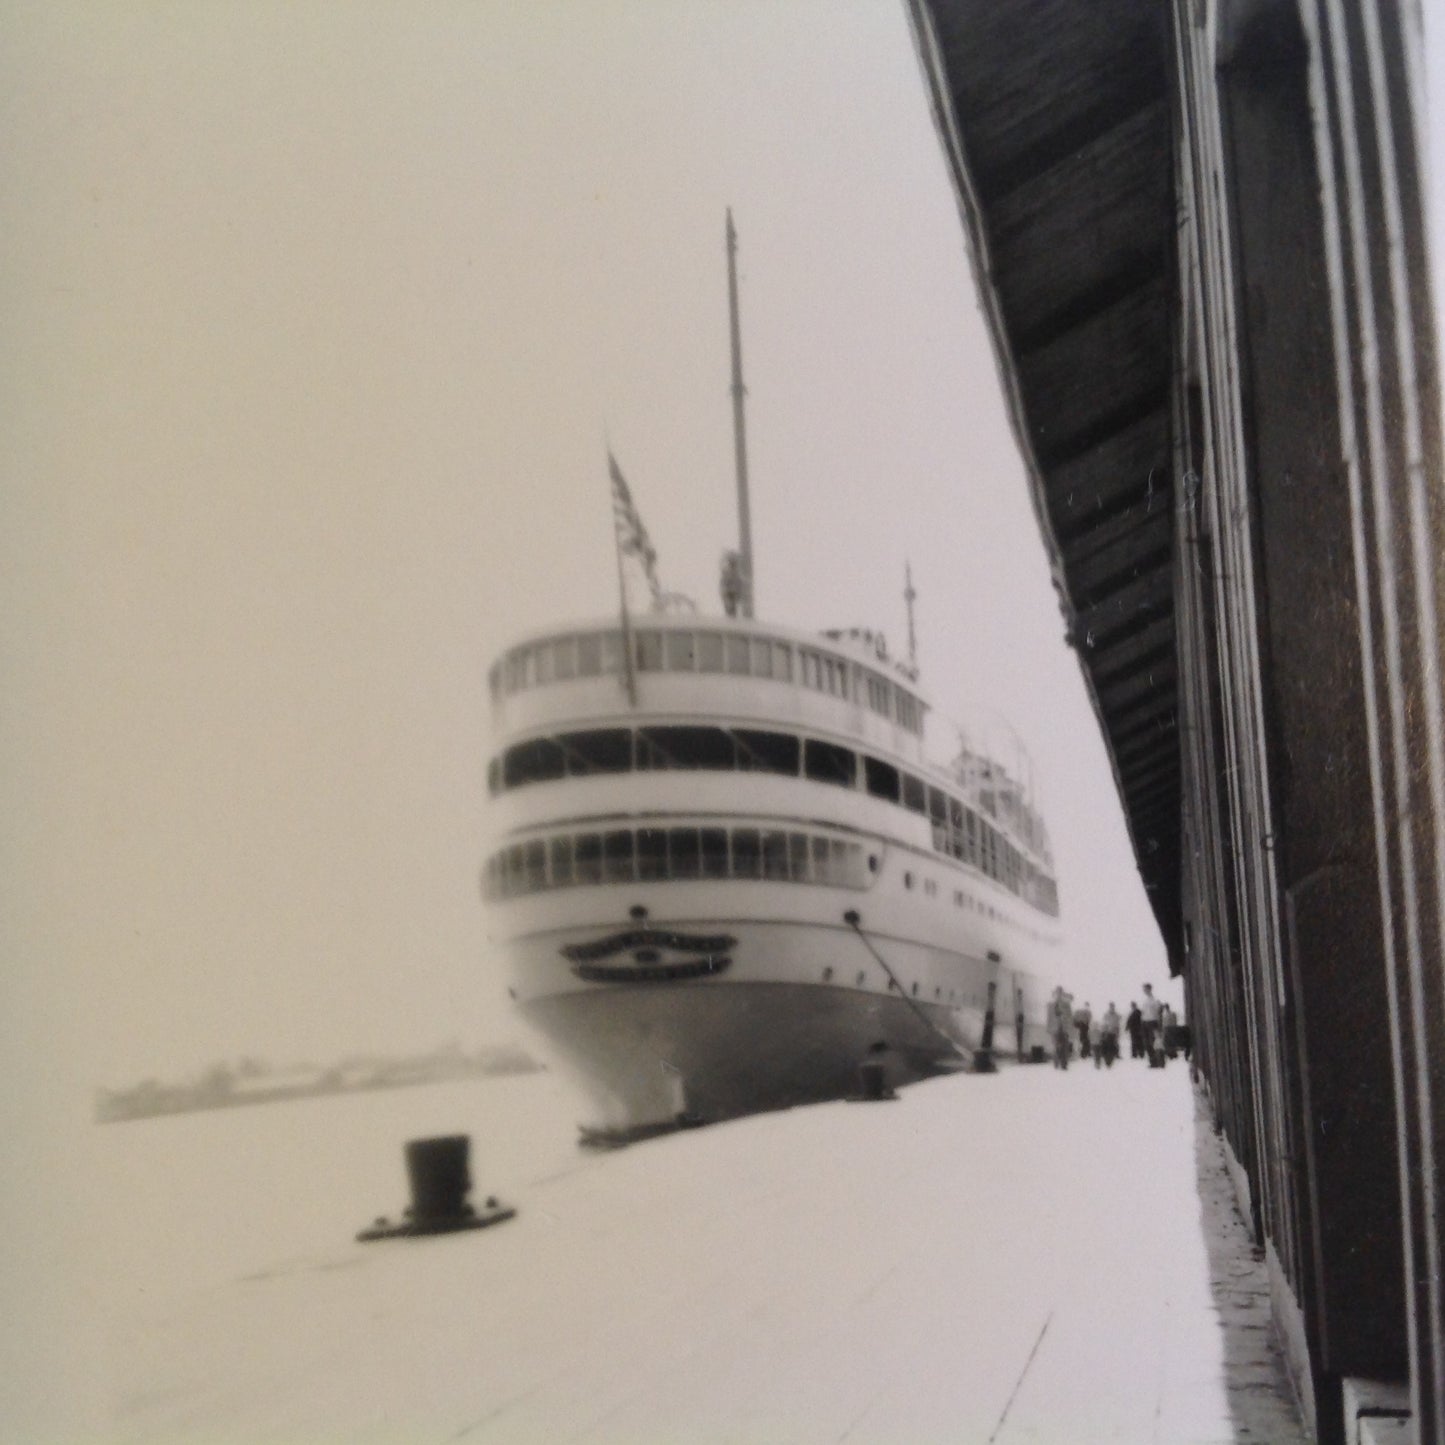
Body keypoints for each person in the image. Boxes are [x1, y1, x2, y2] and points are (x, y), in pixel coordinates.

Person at [1048, 986, 1072, 1069]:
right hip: (1055, 1029)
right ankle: (1056, 1061)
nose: (1059, 995)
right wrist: (1049, 1029)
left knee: (1065, 1046)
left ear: (1062, 994)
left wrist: (1070, 1029)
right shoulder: (1051, 1005)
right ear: (1055, 994)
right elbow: (1049, 1017)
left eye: (1060, 993)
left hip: (1064, 1028)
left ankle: (1064, 1064)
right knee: (1056, 1046)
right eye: (1057, 993)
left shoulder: (1066, 1005)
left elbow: (1070, 1017)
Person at [1140, 983, 1163, 1059]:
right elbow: (1143, 1012)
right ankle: (1152, 1061)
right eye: (1144, 990)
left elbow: (1159, 1012)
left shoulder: (1155, 1000)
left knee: (1152, 1042)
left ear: (1150, 989)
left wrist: (1159, 1024)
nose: (1144, 991)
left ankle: (1156, 1060)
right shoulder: (1145, 1001)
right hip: (1145, 1022)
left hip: (1152, 1022)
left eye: (1146, 989)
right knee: (1146, 1043)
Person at [1099, 1002, 1121, 1067]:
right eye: (1111, 1006)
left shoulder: (1116, 1015)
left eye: (1113, 1006)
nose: (1112, 1008)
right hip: (1107, 1032)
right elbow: (1103, 1023)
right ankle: (1107, 1060)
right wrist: (1103, 1032)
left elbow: (1117, 1025)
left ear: (1114, 1007)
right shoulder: (1106, 1014)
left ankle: (1113, 1058)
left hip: (1114, 1032)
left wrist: (1117, 1033)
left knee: (1114, 1046)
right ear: (1109, 1007)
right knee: (1108, 1046)